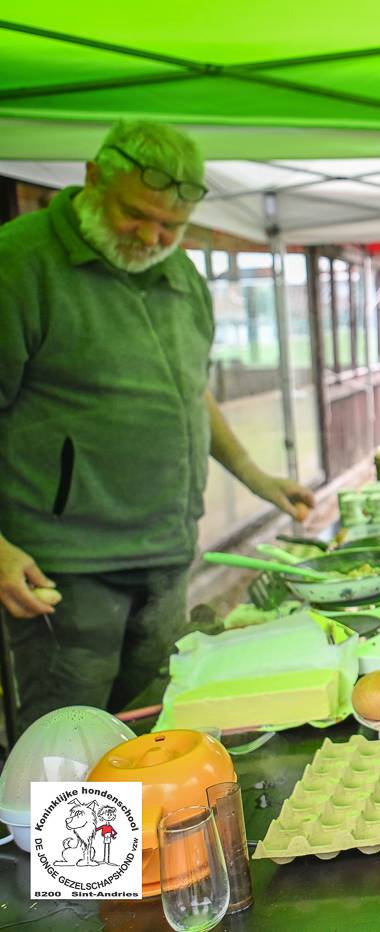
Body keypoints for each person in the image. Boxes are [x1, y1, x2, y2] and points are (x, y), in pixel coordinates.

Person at [0, 120, 315, 732]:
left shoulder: (179, 277)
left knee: (155, 720)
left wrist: (252, 474)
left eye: (172, 226)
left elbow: (185, 389)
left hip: (166, 555)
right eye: (134, 214)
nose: (151, 236)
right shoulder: (19, 265)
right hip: (64, 571)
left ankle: (140, 833)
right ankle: (62, 836)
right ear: (93, 179)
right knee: (68, 743)